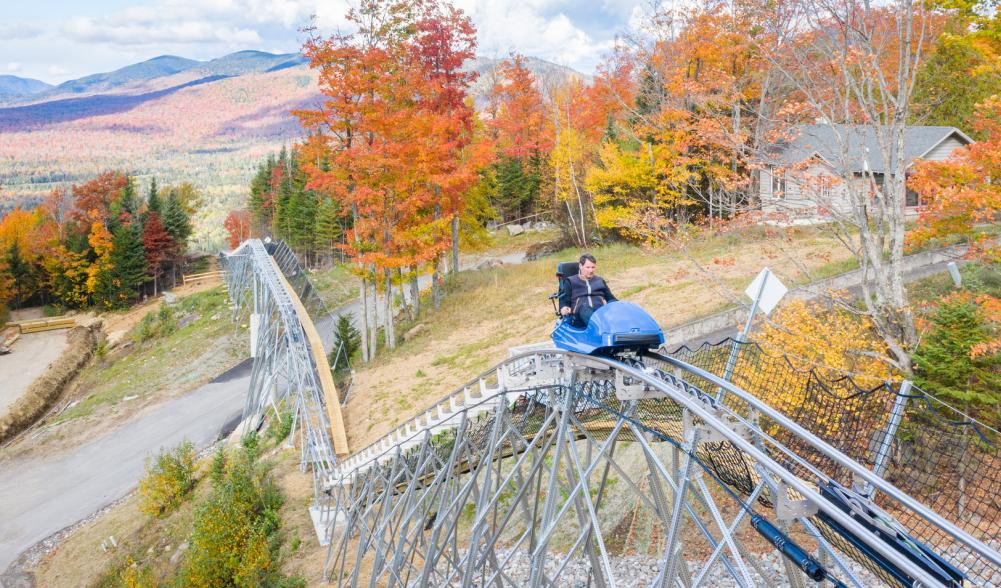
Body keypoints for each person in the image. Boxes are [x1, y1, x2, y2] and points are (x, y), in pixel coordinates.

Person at [559, 254, 617, 326]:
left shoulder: (600, 281)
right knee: (584, 307)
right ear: (580, 266)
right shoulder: (570, 281)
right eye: (588, 267)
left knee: (615, 304)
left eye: (593, 267)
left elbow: (611, 299)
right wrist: (564, 308)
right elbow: (564, 301)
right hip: (579, 318)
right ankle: (599, 327)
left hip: (600, 314)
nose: (591, 270)